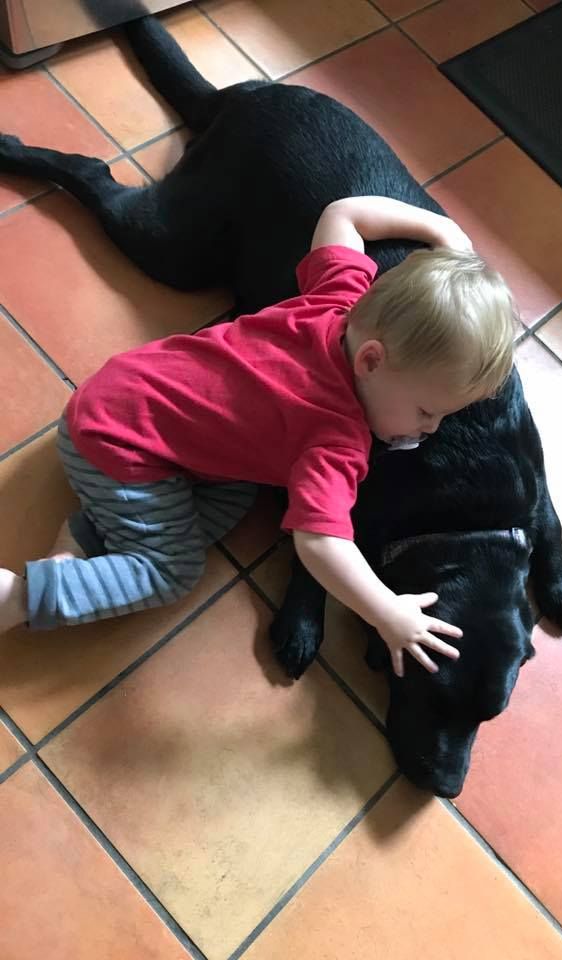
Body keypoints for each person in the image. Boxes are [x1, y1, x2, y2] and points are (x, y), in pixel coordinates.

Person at [0, 196, 517, 677]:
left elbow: (344, 215)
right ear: (371, 361)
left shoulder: (338, 299)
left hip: (127, 390)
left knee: (237, 494)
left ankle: (88, 541)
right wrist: (386, 612)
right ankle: (19, 596)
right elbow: (322, 543)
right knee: (172, 572)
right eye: (426, 411)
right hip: (118, 445)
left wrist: (438, 228)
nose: (431, 429)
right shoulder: (336, 441)